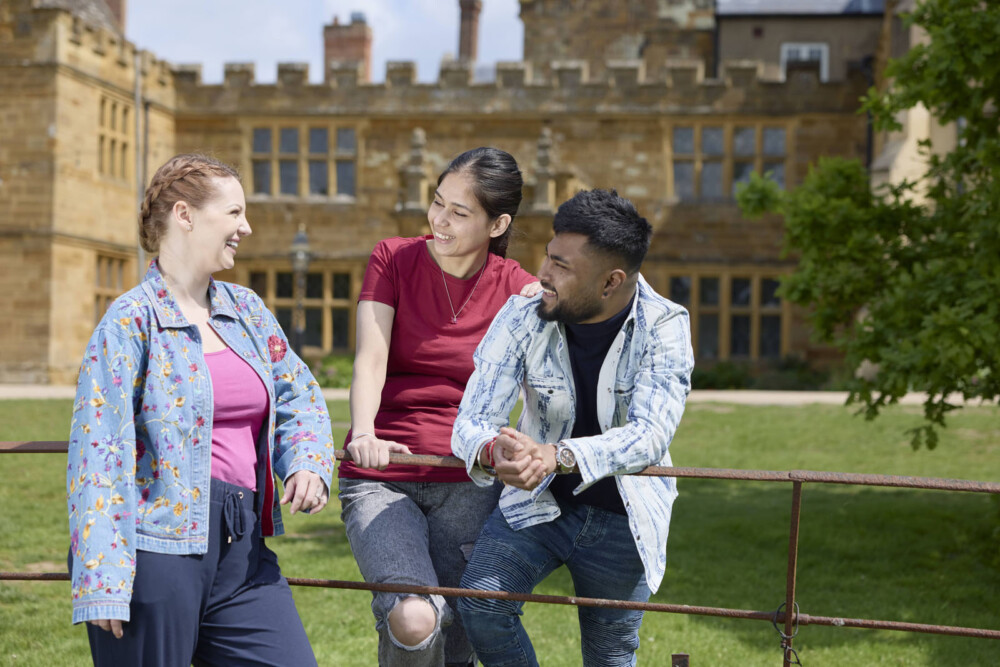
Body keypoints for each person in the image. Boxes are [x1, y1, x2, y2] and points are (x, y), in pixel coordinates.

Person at [66, 153, 335, 666]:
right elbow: (97, 451)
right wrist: (102, 575)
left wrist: (307, 460)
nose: (246, 227)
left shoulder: (247, 310)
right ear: (185, 215)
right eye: (234, 213)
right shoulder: (129, 322)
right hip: (155, 553)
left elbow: (301, 394)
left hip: (245, 553)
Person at [452, 188, 695, 666]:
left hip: (624, 519)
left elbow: (650, 433)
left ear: (611, 282)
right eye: (548, 257)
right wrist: (491, 450)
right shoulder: (524, 313)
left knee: (609, 656)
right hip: (538, 505)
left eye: (562, 266)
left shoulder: (664, 326)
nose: (543, 274)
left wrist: (556, 455)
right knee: (482, 605)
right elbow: (474, 416)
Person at [338, 147, 539, 666]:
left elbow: (549, 379)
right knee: (414, 616)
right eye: (437, 202)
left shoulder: (518, 288)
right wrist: (364, 432)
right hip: (385, 472)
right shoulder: (393, 257)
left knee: (457, 641)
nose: (439, 220)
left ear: (498, 224)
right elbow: (371, 358)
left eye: (459, 212)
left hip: (469, 479)